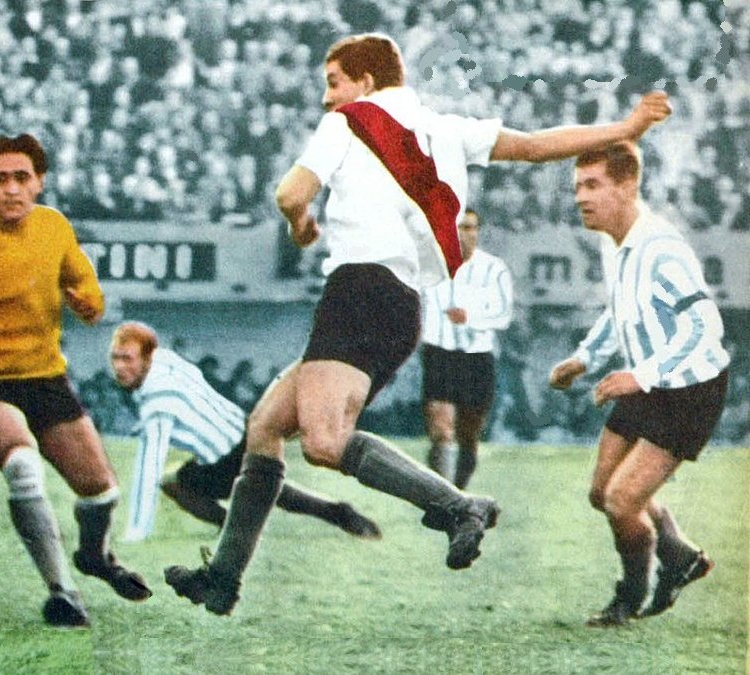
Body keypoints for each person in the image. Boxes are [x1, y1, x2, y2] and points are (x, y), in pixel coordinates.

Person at [164, 32, 673, 616]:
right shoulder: (448, 129)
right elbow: (536, 146)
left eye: (334, 83)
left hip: (358, 290)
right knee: (266, 425)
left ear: (366, 82)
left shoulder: (347, 121)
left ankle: (458, 506)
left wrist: (300, 225)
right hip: (402, 305)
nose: (328, 98)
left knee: (325, 443)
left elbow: (289, 193)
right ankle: (223, 579)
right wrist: (625, 128)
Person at [0, 133, 150, 629]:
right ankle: (63, 593)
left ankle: (94, 557)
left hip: (43, 376)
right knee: (22, 466)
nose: (11, 189)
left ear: (39, 182)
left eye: (22, 178)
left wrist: (89, 302)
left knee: (100, 490)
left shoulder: (53, 227)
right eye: (0, 179)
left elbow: (82, 281)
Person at [548, 141, 729, 627]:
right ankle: (680, 555)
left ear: (628, 186)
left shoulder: (661, 248)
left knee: (622, 500)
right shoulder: (615, 242)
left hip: (690, 387)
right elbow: (620, 311)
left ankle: (627, 599)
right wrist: (584, 359)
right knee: (602, 493)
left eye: (593, 185)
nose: (581, 197)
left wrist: (640, 375)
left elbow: (704, 325)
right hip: (648, 380)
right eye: (577, 187)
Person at [108, 320, 381, 542]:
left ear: (146, 359)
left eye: (127, 359)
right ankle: (338, 512)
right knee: (271, 489)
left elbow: (149, 465)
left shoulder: (157, 403)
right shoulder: (167, 360)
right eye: (115, 358)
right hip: (246, 428)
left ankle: (231, 526)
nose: (119, 367)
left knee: (173, 482)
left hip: (224, 454)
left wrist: (137, 530)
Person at [420, 208, 514, 488]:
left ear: (478, 232)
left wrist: (471, 318)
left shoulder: (494, 269)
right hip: (439, 353)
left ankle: (458, 491)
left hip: (477, 358)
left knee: (469, 436)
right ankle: (442, 497)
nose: (464, 234)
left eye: (470, 227)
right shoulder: (431, 266)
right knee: (441, 431)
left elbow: (504, 315)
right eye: (459, 227)